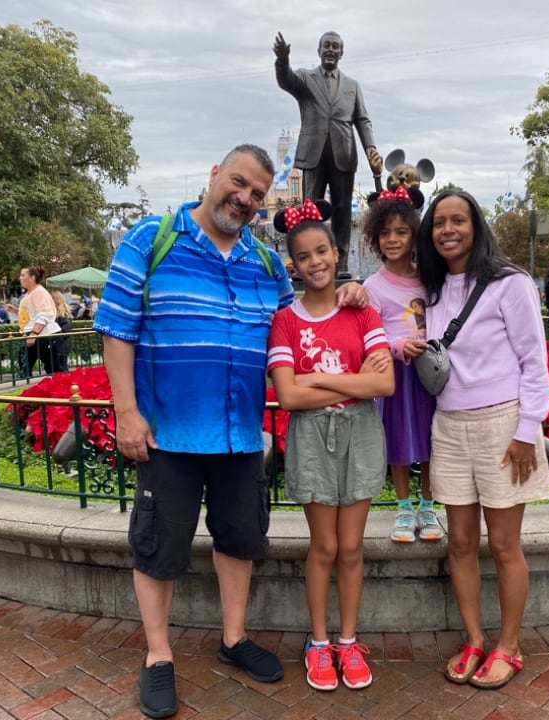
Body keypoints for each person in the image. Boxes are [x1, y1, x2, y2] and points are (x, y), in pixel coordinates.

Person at [92, 144, 371, 719]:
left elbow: (299, 322)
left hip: (240, 435)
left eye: (257, 195)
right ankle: (158, 656)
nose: (244, 199)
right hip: (167, 432)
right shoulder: (151, 238)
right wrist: (126, 412)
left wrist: (348, 294)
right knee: (159, 546)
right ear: (215, 173)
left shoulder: (264, 264)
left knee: (239, 540)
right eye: (238, 183)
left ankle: (234, 637)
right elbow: (117, 329)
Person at [415, 190, 549, 690]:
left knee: (504, 545)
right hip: (449, 425)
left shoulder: (509, 284)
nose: (448, 230)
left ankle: (509, 645)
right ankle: (474, 638)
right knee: (462, 544)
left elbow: (535, 361)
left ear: (476, 226)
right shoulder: (429, 289)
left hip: (502, 422)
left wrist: (525, 430)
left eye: (458, 220)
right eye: (439, 223)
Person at [267, 199, 394, 691]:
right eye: (303, 256)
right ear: (293, 263)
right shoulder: (286, 322)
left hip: (361, 433)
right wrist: (352, 378)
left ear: (336, 252)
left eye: (322, 251)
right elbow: (288, 395)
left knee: (352, 546)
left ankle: (347, 639)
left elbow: (383, 386)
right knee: (324, 545)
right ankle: (318, 643)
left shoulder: (360, 311)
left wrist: (319, 379)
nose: (315, 262)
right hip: (312, 439)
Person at [361, 190, 442, 543]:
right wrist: (397, 346)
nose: (392, 240)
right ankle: (404, 507)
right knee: (399, 440)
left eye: (401, 232)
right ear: (375, 237)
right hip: (396, 375)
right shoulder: (373, 286)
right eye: (385, 233)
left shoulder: (431, 278)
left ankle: (428, 505)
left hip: (431, 373)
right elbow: (372, 333)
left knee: (431, 440)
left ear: (413, 234)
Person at [273, 30, 383, 277]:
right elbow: (286, 80)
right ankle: (308, 261)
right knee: (310, 208)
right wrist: (282, 61)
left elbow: (363, 121)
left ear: (342, 53)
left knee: (343, 208)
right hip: (313, 154)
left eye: (335, 46)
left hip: (344, 153)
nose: (331, 49)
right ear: (319, 51)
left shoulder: (353, 86)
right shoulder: (306, 78)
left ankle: (341, 264)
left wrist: (371, 149)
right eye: (326, 45)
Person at [7, 267, 62, 377]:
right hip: (34, 336)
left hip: (44, 336)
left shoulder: (39, 292)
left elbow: (44, 314)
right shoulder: (30, 293)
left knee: (54, 370)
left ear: (32, 277)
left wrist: (34, 334)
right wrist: (16, 310)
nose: (20, 278)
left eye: (23, 275)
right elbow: (33, 313)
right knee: (24, 368)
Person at [49, 290, 73, 373]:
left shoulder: (63, 314)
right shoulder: (54, 313)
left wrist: (55, 334)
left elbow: (66, 329)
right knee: (56, 369)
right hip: (56, 345)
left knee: (61, 369)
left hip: (60, 346)